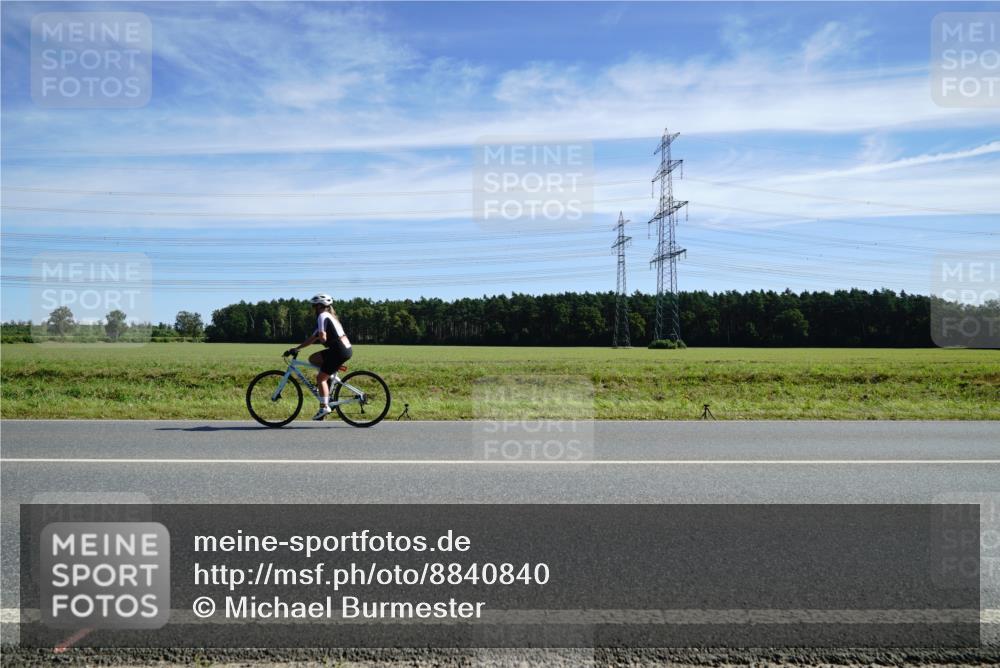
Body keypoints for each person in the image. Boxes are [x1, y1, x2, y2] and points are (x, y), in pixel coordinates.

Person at [285, 294, 353, 420]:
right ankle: (329, 380)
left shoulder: (322, 316)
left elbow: (322, 337)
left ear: (319, 306)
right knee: (313, 358)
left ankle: (324, 407)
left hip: (338, 351)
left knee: (320, 378)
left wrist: (323, 339)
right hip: (343, 349)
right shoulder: (330, 316)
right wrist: (297, 348)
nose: (313, 309)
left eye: (314, 306)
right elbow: (313, 338)